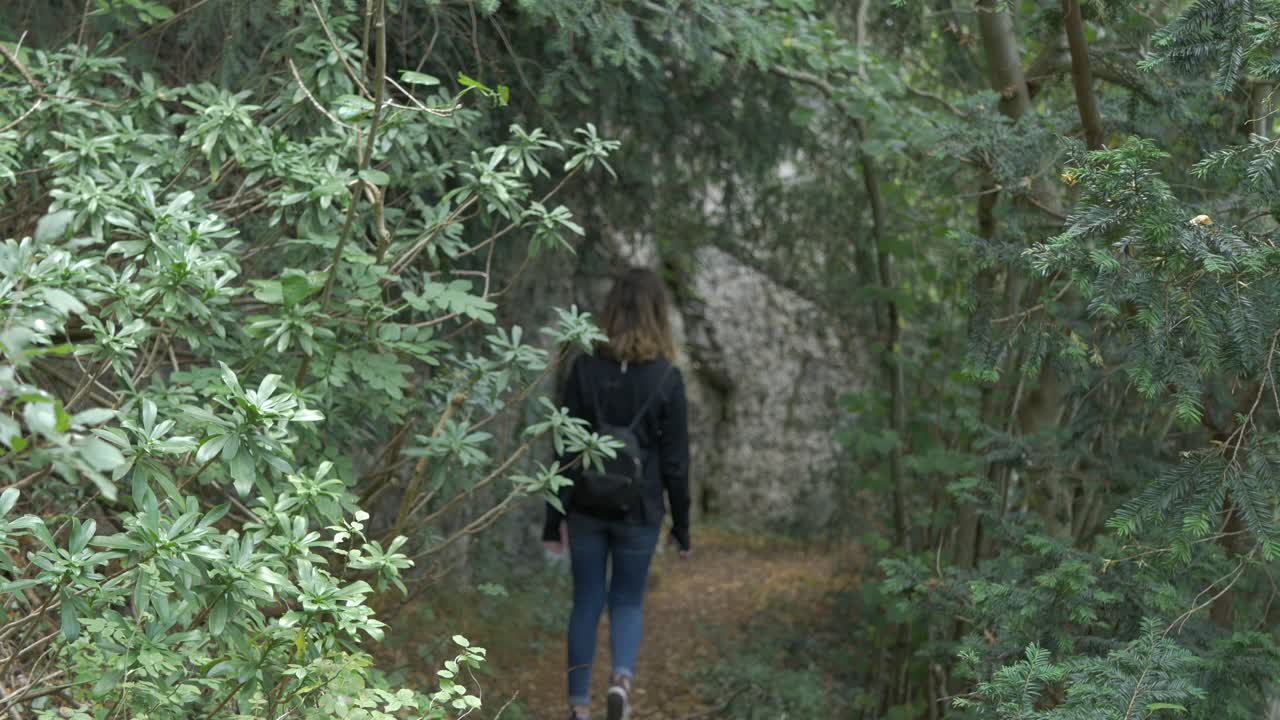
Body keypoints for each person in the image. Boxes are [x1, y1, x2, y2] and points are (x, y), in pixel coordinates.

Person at [542, 267, 692, 720]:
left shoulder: (584, 367)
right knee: (627, 600)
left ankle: (577, 705)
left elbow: (564, 446)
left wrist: (554, 522)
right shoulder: (667, 379)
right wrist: (681, 528)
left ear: (609, 311)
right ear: (658, 315)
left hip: (586, 505)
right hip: (640, 510)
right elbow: (675, 462)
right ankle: (621, 682)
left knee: (586, 601)